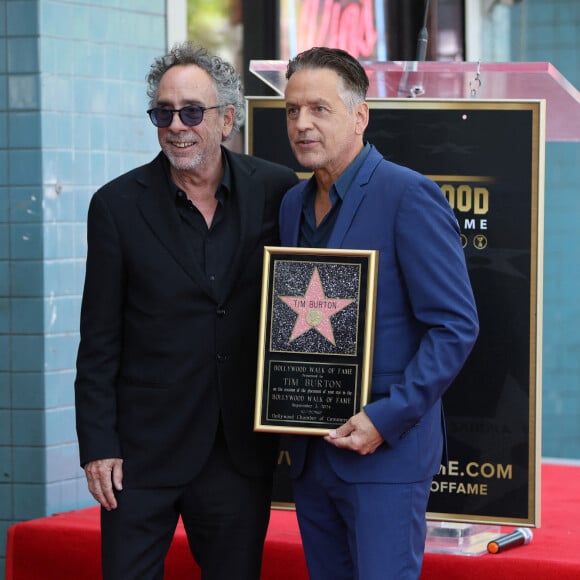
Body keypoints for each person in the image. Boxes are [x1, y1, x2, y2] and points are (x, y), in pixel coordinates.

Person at [74, 41, 298, 580]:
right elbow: (99, 338)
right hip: (140, 453)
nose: (177, 125)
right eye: (164, 112)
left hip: (237, 452)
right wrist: (98, 445)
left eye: (192, 111)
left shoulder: (275, 190)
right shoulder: (115, 206)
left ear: (226, 119)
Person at [280, 47, 480, 580]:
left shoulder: (408, 195)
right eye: (292, 110)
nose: (302, 124)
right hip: (310, 455)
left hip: (383, 457)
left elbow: (455, 325)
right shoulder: (291, 205)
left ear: (360, 116)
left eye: (319, 109)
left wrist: (383, 420)